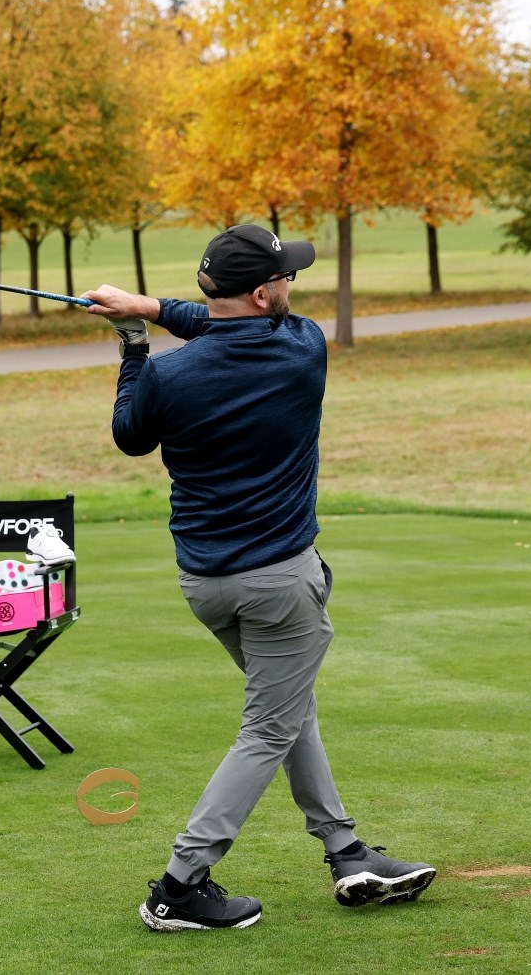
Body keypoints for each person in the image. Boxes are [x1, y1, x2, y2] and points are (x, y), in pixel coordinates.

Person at [84, 224, 436, 933]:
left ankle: (347, 850)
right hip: (280, 583)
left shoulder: (169, 376)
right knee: (269, 723)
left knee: (288, 706)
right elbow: (224, 326)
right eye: (286, 277)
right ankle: (180, 884)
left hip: (205, 582)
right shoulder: (303, 347)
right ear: (263, 291)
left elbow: (130, 432)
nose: (291, 286)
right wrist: (149, 308)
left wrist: (135, 334)